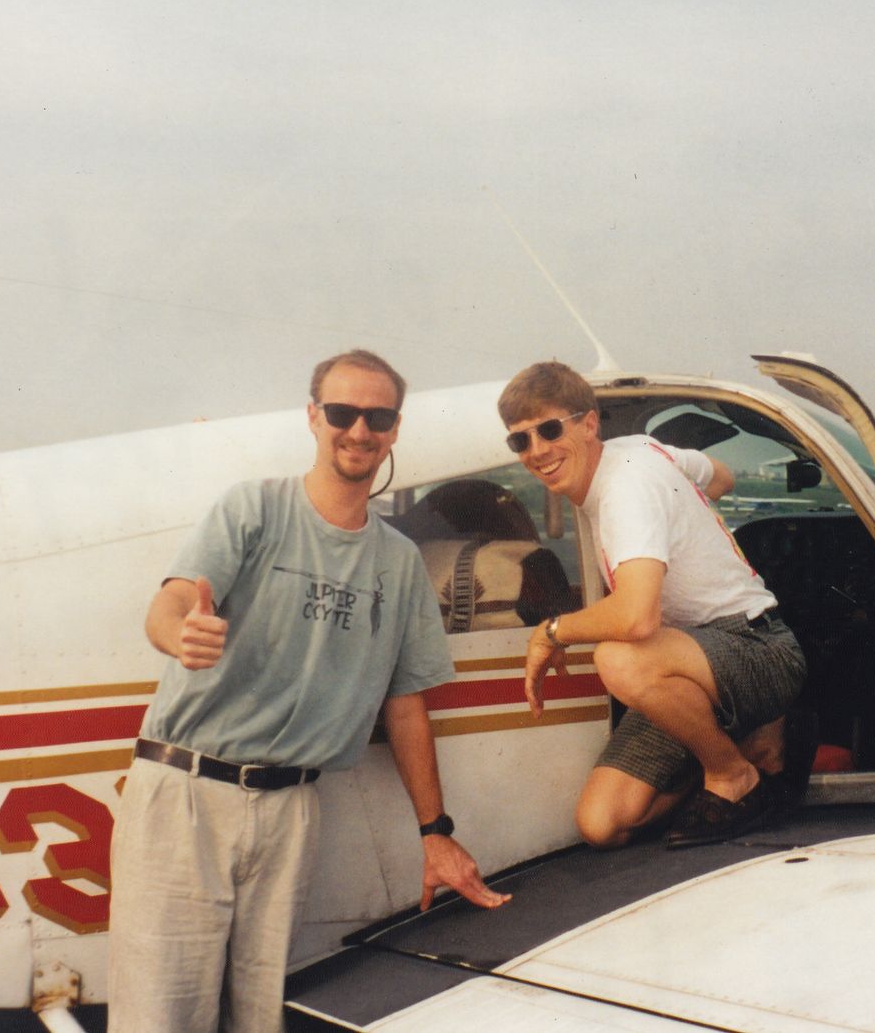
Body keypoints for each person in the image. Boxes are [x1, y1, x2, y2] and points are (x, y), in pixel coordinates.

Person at [109, 350, 509, 1033]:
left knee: (259, 1018)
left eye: (377, 417)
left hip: (291, 809)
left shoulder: (399, 561)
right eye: (342, 413)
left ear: (395, 428)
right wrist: (180, 635)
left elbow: (406, 704)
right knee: (159, 1018)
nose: (359, 431)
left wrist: (436, 834)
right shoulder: (254, 508)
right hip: (187, 795)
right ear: (314, 417)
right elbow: (170, 604)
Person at [498, 361, 806, 850]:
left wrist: (551, 632)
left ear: (589, 424)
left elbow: (638, 617)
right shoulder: (640, 450)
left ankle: (733, 774)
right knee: (602, 824)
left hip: (755, 646)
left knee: (618, 658)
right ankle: (742, 748)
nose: (536, 451)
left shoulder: (626, 488)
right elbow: (721, 477)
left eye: (550, 430)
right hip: (687, 668)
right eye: (521, 440)